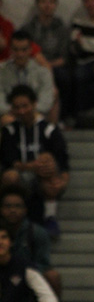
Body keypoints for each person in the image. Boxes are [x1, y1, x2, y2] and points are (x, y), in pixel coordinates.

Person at [0, 184, 65, 302]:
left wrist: (23, 270)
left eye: (17, 206)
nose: (13, 210)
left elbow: (44, 263)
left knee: (52, 277)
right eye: (8, 206)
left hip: (25, 280)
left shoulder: (37, 233)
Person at [0, 85, 70, 239]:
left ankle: (50, 217)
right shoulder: (9, 131)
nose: (21, 111)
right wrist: (32, 166)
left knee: (48, 161)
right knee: (10, 175)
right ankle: (10, 218)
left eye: (25, 106)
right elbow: (10, 161)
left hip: (43, 179)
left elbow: (63, 161)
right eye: (17, 107)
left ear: (34, 104)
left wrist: (63, 181)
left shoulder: (49, 130)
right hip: (21, 177)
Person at [23, 0, 71, 118]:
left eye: (50, 1)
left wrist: (48, 65)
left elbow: (64, 57)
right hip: (34, 66)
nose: (47, 5)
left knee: (64, 77)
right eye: (43, 1)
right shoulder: (28, 28)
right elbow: (24, 53)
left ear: (55, 5)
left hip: (56, 66)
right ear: (38, 4)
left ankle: (63, 117)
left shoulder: (62, 29)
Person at [0, 30, 55, 124]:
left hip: (35, 115)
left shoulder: (42, 72)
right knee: (6, 120)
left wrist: (26, 112)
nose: (20, 54)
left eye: (24, 50)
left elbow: (46, 101)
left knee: (39, 119)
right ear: (10, 50)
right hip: (9, 115)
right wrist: (16, 111)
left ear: (30, 50)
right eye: (16, 50)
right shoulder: (1, 71)